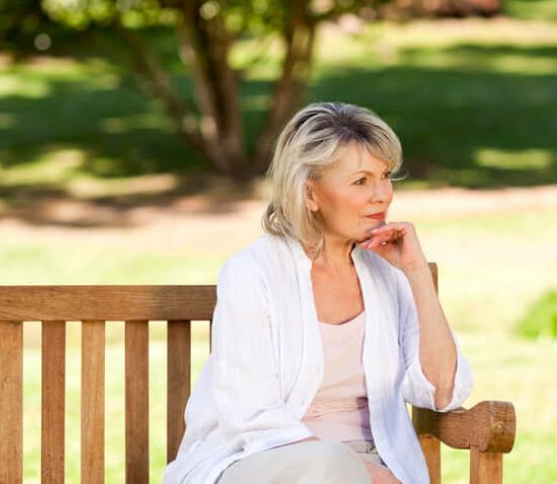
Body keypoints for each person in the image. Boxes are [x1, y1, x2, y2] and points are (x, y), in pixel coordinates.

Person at [164, 102, 473, 484]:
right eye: (361, 181)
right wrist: (364, 475)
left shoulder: (388, 275)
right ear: (310, 192)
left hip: (372, 462)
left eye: (385, 176)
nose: (382, 195)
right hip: (261, 462)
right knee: (328, 463)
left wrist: (416, 275)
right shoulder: (252, 273)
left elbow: (442, 392)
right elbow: (251, 416)